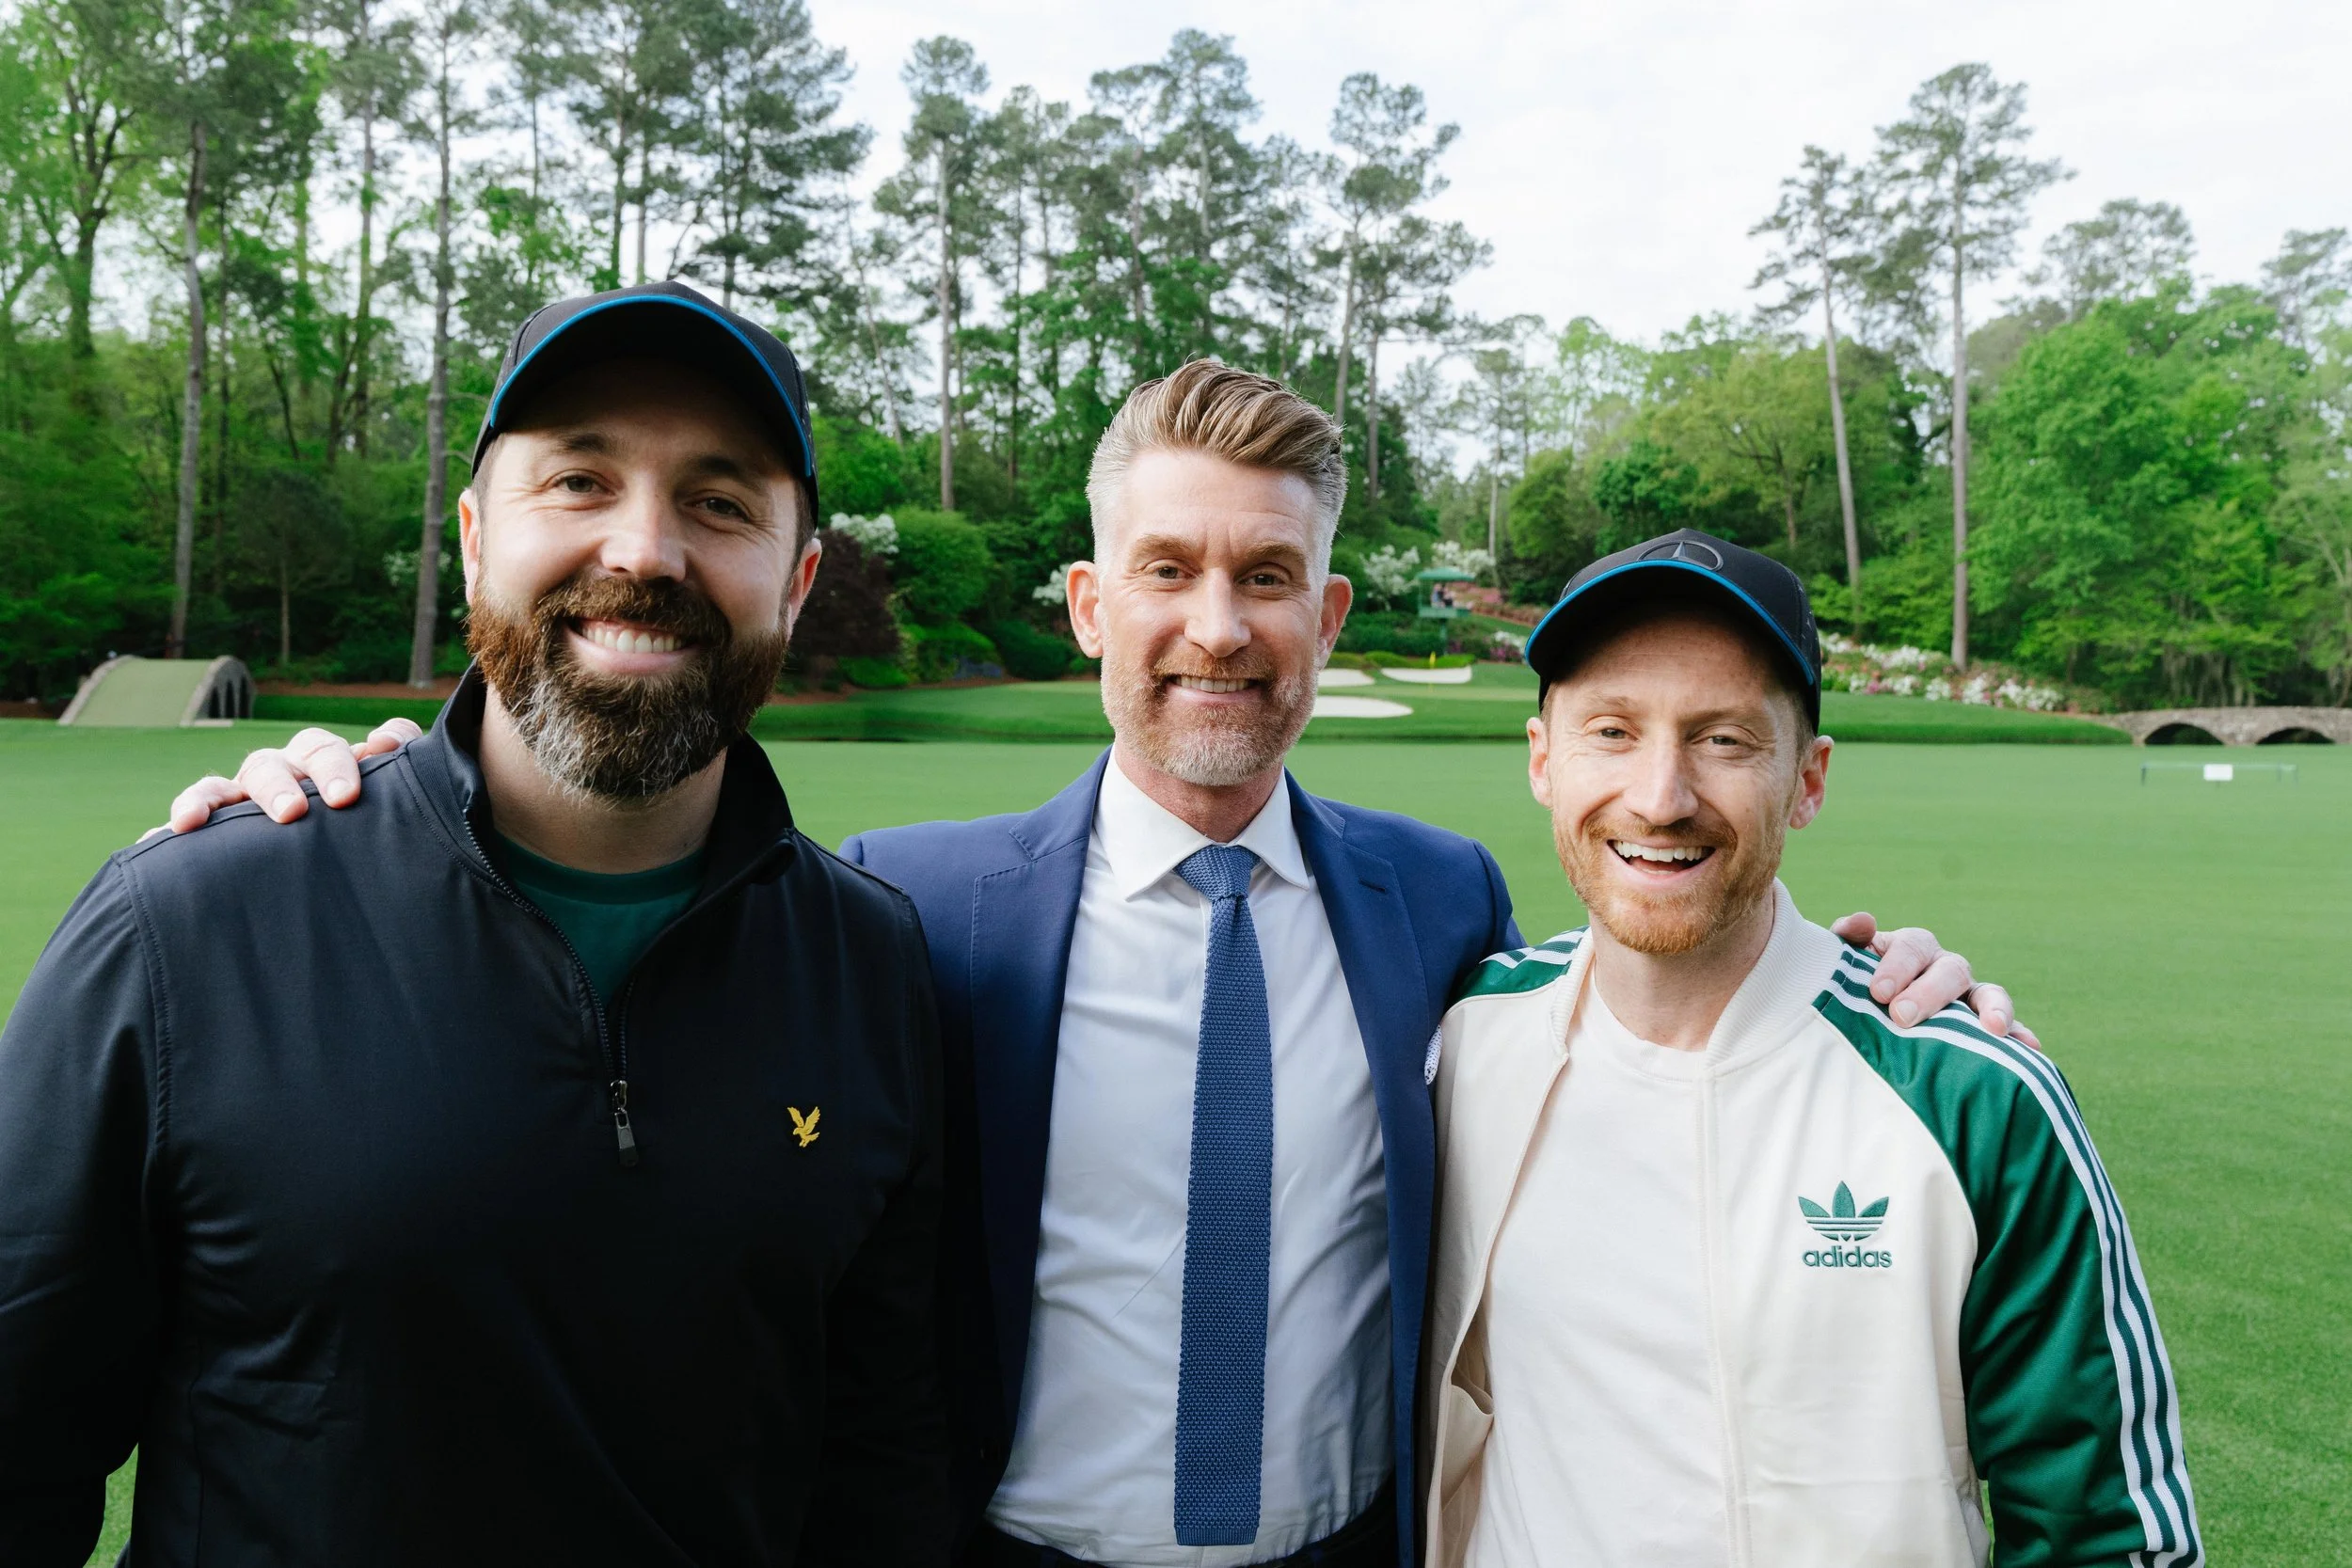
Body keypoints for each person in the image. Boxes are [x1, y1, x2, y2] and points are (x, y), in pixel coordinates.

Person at [158, 364, 2020, 1568]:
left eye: (1267, 576)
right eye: (1167, 570)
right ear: (1088, 603)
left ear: (1324, 613)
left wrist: (1878, 973)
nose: (1218, 624)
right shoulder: (907, 907)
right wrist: (374, 790)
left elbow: (1647, 994)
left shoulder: (1436, 900)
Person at [0, 281, 953, 1566]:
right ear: (471, 535)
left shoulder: (870, 965)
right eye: (578, 481)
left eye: (720, 502)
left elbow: (883, 1475)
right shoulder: (186, 927)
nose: (644, 550)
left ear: (797, 580)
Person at [1421, 530, 2201, 1567]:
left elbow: (2105, 1537)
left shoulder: (1973, 1099)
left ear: (1808, 778)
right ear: (1541, 759)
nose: (1660, 795)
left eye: (1724, 739)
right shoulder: (1463, 1040)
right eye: (1612, 730)